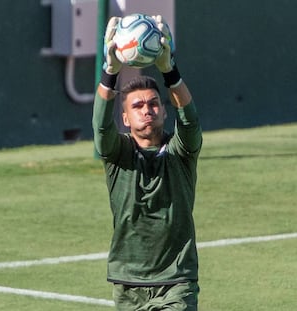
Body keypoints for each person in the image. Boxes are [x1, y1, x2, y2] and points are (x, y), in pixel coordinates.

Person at [92, 15, 203, 311]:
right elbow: (101, 128)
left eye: (154, 103)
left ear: (164, 112)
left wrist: (169, 71)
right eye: (138, 106)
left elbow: (190, 121)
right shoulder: (118, 154)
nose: (147, 110)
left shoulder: (180, 152)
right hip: (128, 282)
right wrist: (110, 71)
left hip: (176, 279)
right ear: (125, 118)